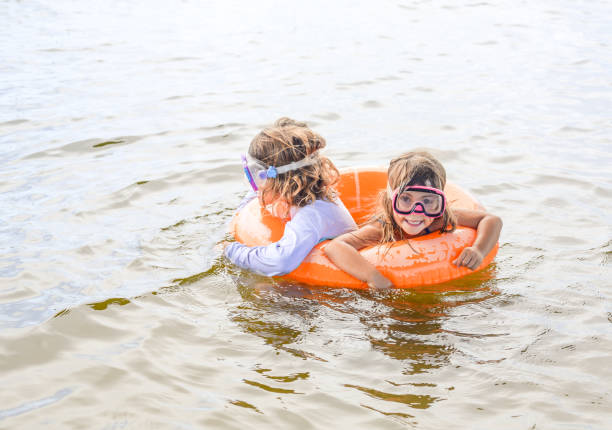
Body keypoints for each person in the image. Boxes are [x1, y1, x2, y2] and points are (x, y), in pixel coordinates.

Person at [323, 151, 502, 289]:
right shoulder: (383, 228)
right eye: (406, 199)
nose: (416, 212)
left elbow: (491, 220)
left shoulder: (440, 218)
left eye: (427, 201)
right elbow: (335, 247)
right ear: (391, 200)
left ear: (439, 202)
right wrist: (373, 276)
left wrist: (478, 250)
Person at [224, 117, 357, 276]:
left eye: (256, 175)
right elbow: (250, 201)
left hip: (335, 286)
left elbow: (281, 262)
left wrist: (231, 250)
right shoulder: (310, 196)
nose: (253, 184)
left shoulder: (313, 214)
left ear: (283, 182)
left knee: (263, 290)